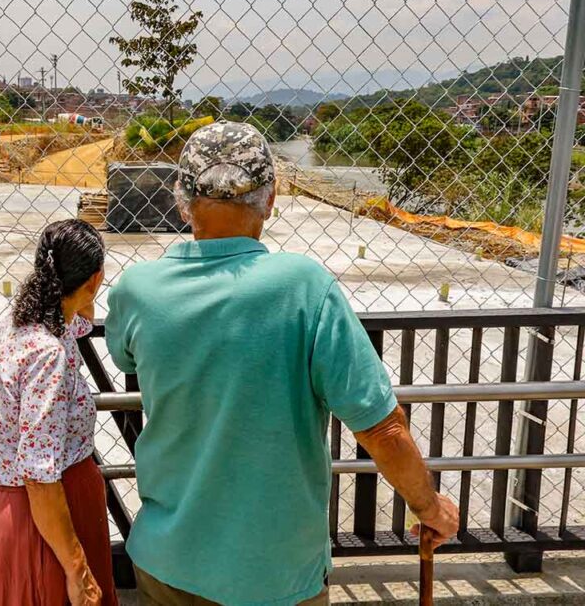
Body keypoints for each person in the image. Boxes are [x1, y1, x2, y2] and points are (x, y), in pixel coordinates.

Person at [105, 122, 459, 606]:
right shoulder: (305, 288)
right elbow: (383, 430)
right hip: (277, 574)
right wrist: (429, 507)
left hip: (170, 562)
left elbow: (123, 355)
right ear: (270, 200)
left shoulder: (136, 291)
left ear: (180, 198)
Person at [0, 219, 117, 606]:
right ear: (94, 278)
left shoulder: (18, 322)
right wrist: (76, 569)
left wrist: (86, 292)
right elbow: (40, 476)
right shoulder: (48, 354)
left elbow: (81, 320)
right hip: (52, 514)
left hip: (18, 511)